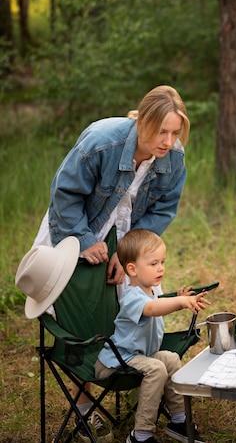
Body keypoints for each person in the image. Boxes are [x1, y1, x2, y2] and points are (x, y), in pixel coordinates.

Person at [34, 85, 190, 442]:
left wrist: (125, 253)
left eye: (175, 133)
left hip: (125, 241)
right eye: (161, 132)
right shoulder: (101, 141)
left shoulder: (173, 159)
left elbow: (162, 209)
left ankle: (141, 381)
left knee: (132, 306)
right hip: (74, 230)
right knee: (80, 318)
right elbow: (65, 195)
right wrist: (87, 242)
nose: (168, 141)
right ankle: (86, 407)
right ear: (141, 122)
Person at [95, 228, 209, 443]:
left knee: (171, 359)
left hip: (141, 356)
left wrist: (179, 299)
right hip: (117, 362)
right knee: (157, 368)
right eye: (153, 263)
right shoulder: (131, 297)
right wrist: (180, 302)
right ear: (132, 269)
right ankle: (141, 435)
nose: (161, 268)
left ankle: (178, 420)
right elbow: (151, 309)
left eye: (162, 262)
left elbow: (158, 305)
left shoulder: (152, 290)